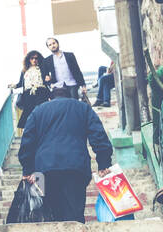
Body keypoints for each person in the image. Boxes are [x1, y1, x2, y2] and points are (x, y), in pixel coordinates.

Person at [17, 95, 113, 223]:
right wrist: (104, 163)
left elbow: (27, 142)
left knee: (48, 214)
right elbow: (98, 135)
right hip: (75, 168)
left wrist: (28, 170)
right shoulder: (83, 108)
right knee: (74, 214)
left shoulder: (38, 111)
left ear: (50, 98)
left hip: (44, 171)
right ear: (71, 97)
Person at [13, 49, 50, 129]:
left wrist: (49, 79)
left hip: (41, 91)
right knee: (28, 112)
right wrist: (14, 86)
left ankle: (42, 129)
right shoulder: (24, 70)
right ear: (28, 59)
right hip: (28, 93)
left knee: (40, 111)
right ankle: (28, 130)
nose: (34, 60)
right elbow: (20, 83)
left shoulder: (42, 68)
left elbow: (47, 79)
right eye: (32, 58)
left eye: (36, 58)